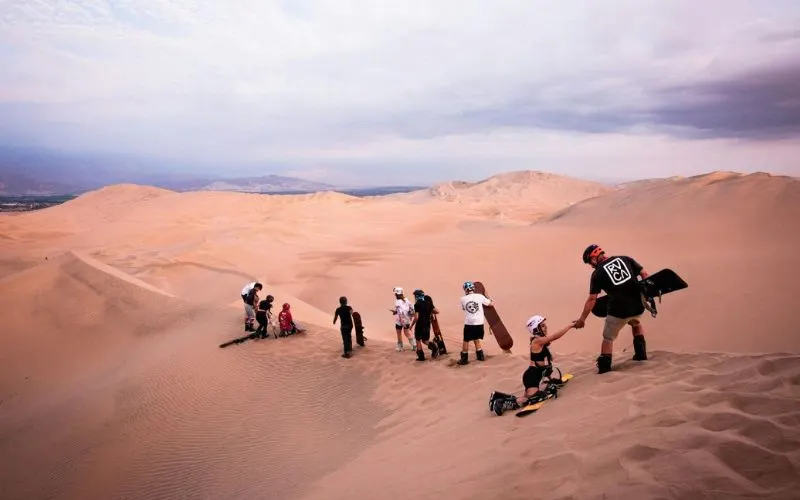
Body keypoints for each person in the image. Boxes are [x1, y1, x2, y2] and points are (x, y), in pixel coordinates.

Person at [573, 244, 650, 374]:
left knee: (608, 337)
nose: (591, 266)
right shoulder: (625, 258)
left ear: (593, 258)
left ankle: (604, 368)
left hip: (618, 311)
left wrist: (582, 319)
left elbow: (592, 299)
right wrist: (647, 294)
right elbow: (644, 274)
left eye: (589, 262)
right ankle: (641, 355)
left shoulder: (597, 273)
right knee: (636, 323)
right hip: (638, 306)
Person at [490, 315, 576, 415]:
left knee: (528, 397)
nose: (546, 327)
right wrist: (570, 326)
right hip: (532, 376)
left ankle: (498, 396)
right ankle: (501, 403)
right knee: (534, 398)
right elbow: (554, 337)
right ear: (536, 328)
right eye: (543, 326)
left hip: (535, 375)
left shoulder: (540, 340)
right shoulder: (536, 341)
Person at [457, 281, 494, 365]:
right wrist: (488, 297)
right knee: (476, 338)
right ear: (473, 288)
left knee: (466, 340)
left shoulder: (462, 299)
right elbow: (491, 304)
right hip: (479, 322)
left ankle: (464, 359)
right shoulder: (480, 296)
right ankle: (480, 356)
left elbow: (464, 309)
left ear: (465, 290)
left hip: (469, 323)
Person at [409, 288, 440, 361]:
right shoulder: (428, 303)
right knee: (425, 340)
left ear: (416, 296)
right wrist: (430, 312)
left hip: (420, 324)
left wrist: (411, 326)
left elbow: (416, 317)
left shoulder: (417, 304)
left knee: (418, 339)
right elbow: (437, 311)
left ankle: (421, 356)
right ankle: (434, 347)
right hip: (427, 324)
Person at [389, 287, 416, 352]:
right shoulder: (406, 300)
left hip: (400, 320)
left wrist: (395, 312)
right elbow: (410, 309)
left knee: (399, 333)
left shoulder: (397, 302)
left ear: (397, 294)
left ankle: (400, 347)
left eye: (395, 293)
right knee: (407, 333)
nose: (395, 295)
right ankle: (414, 344)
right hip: (407, 320)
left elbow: (400, 311)